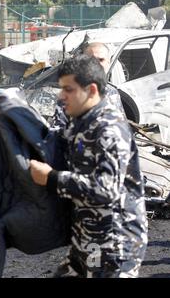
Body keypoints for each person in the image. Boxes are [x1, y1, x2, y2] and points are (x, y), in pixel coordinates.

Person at [29, 55, 148, 278]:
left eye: (68, 89)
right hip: (87, 237)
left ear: (91, 90)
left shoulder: (109, 129)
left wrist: (52, 178)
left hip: (114, 244)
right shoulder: (81, 122)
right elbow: (52, 143)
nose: (61, 96)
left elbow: (106, 190)